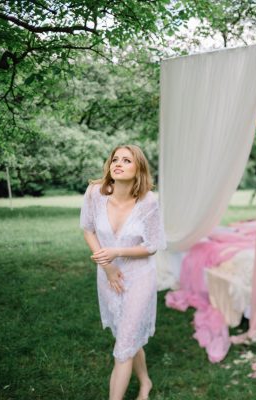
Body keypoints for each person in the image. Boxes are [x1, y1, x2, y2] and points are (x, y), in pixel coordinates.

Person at [80, 144, 166, 400]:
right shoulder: (95, 193)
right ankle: (145, 382)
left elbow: (152, 246)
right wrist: (107, 267)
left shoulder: (148, 202)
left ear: (138, 168)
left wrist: (116, 252)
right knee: (127, 337)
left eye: (126, 160)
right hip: (108, 276)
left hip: (139, 277)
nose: (117, 163)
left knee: (124, 346)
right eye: (115, 159)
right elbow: (88, 229)